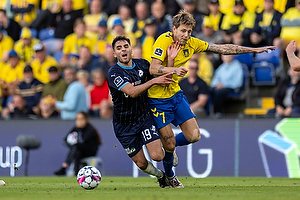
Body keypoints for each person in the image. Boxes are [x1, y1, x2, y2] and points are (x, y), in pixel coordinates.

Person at [147, 9, 276, 188]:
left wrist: (254, 49)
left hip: (174, 94)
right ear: (174, 29)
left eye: (189, 31)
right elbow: (153, 69)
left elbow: (223, 48)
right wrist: (173, 69)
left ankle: (168, 143)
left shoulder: (192, 43)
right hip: (157, 99)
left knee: (194, 136)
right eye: (183, 31)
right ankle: (170, 177)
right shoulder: (164, 40)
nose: (186, 35)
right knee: (169, 146)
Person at [107, 36, 174, 188]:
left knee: (158, 156)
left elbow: (162, 78)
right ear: (114, 54)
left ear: (131, 49)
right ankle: (160, 176)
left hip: (144, 118)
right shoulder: (113, 73)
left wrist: (170, 61)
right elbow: (131, 91)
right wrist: (152, 81)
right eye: (119, 48)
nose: (123, 49)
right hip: (124, 126)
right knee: (142, 163)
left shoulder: (143, 64)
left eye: (125, 46)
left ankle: (169, 150)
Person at [54, 111, 102, 175]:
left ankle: (64, 167)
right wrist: (70, 143)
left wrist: (74, 142)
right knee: (77, 152)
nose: (79, 121)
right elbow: (65, 140)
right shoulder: (76, 128)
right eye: (77, 119)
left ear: (86, 119)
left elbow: (82, 141)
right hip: (79, 150)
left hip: (90, 151)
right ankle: (77, 173)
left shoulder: (90, 130)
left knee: (76, 146)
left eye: (81, 119)